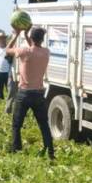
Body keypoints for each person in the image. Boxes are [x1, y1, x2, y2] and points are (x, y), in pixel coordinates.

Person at [5, 26, 54, 159]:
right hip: (39, 93)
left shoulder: (24, 51)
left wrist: (16, 35)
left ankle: (16, 149)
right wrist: (27, 35)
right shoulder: (46, 52)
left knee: (16, 124)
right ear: (42, 39)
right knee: (44, 124)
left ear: (31, 38)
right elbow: (34, 47)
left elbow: (7, 49)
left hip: (24, 94)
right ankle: (50, 152)